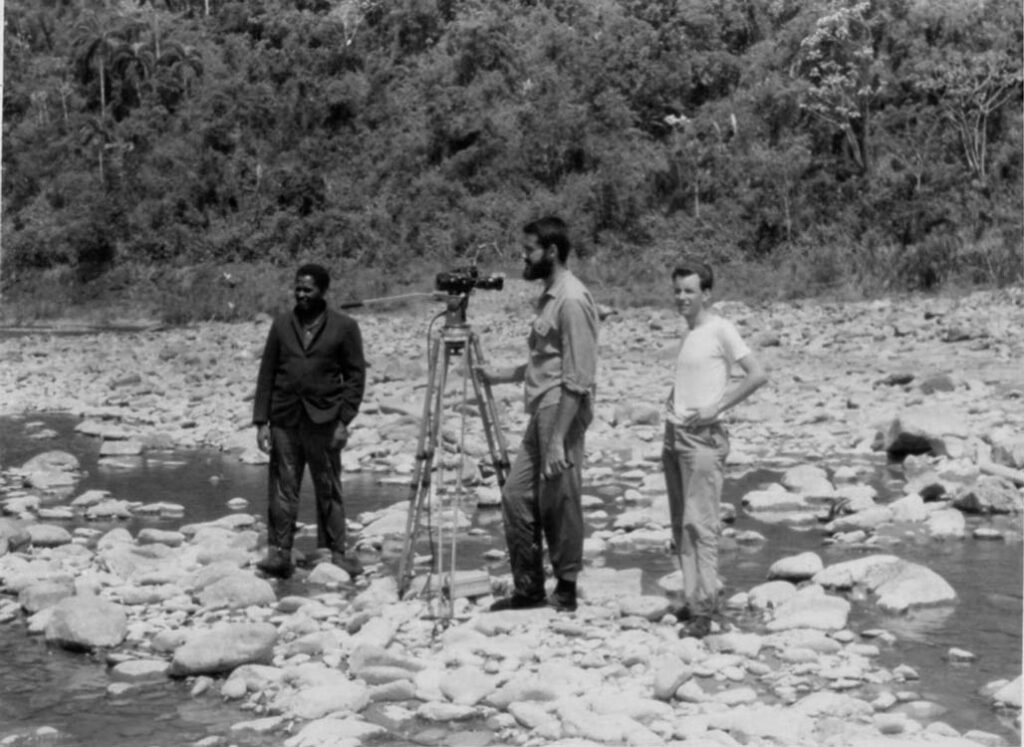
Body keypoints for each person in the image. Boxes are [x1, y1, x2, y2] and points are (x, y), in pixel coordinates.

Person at [478, 216, 599, 613]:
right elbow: (546, 361)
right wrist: (502, 375)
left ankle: (565, 587)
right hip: (543, 405)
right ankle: (528, 588)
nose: (522, 257)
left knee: (560, 497)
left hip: (561, 409)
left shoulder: (572, 300)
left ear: (551, 252)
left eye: (528, 250)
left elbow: (577, 377)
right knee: (516, 496)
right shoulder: (550, 296)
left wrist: (560, 438)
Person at [662, 260, 767, 637]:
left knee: (701, 525)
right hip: (675, 435)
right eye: (677, 290)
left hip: (703, 439)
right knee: (680, 524)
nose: (682, 298)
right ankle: (693, 603)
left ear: (707, 293)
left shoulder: (720, 328)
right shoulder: (690, 332)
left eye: (689, 291)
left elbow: (757, 374)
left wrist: (717, 407)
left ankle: (706, 611)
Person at [252, 263, 366, 579]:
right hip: (285, 418)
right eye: (298, 289)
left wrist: (345, 419)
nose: (301, 295)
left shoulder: (344, 327)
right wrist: (261, 421)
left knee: (328, 487)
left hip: (325, 419)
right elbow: (267, 373)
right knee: (283, 487)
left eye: (308, 290)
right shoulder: (282, 325)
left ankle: (337, 553)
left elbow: (356, 376)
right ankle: (280, 553)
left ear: (322, 292)